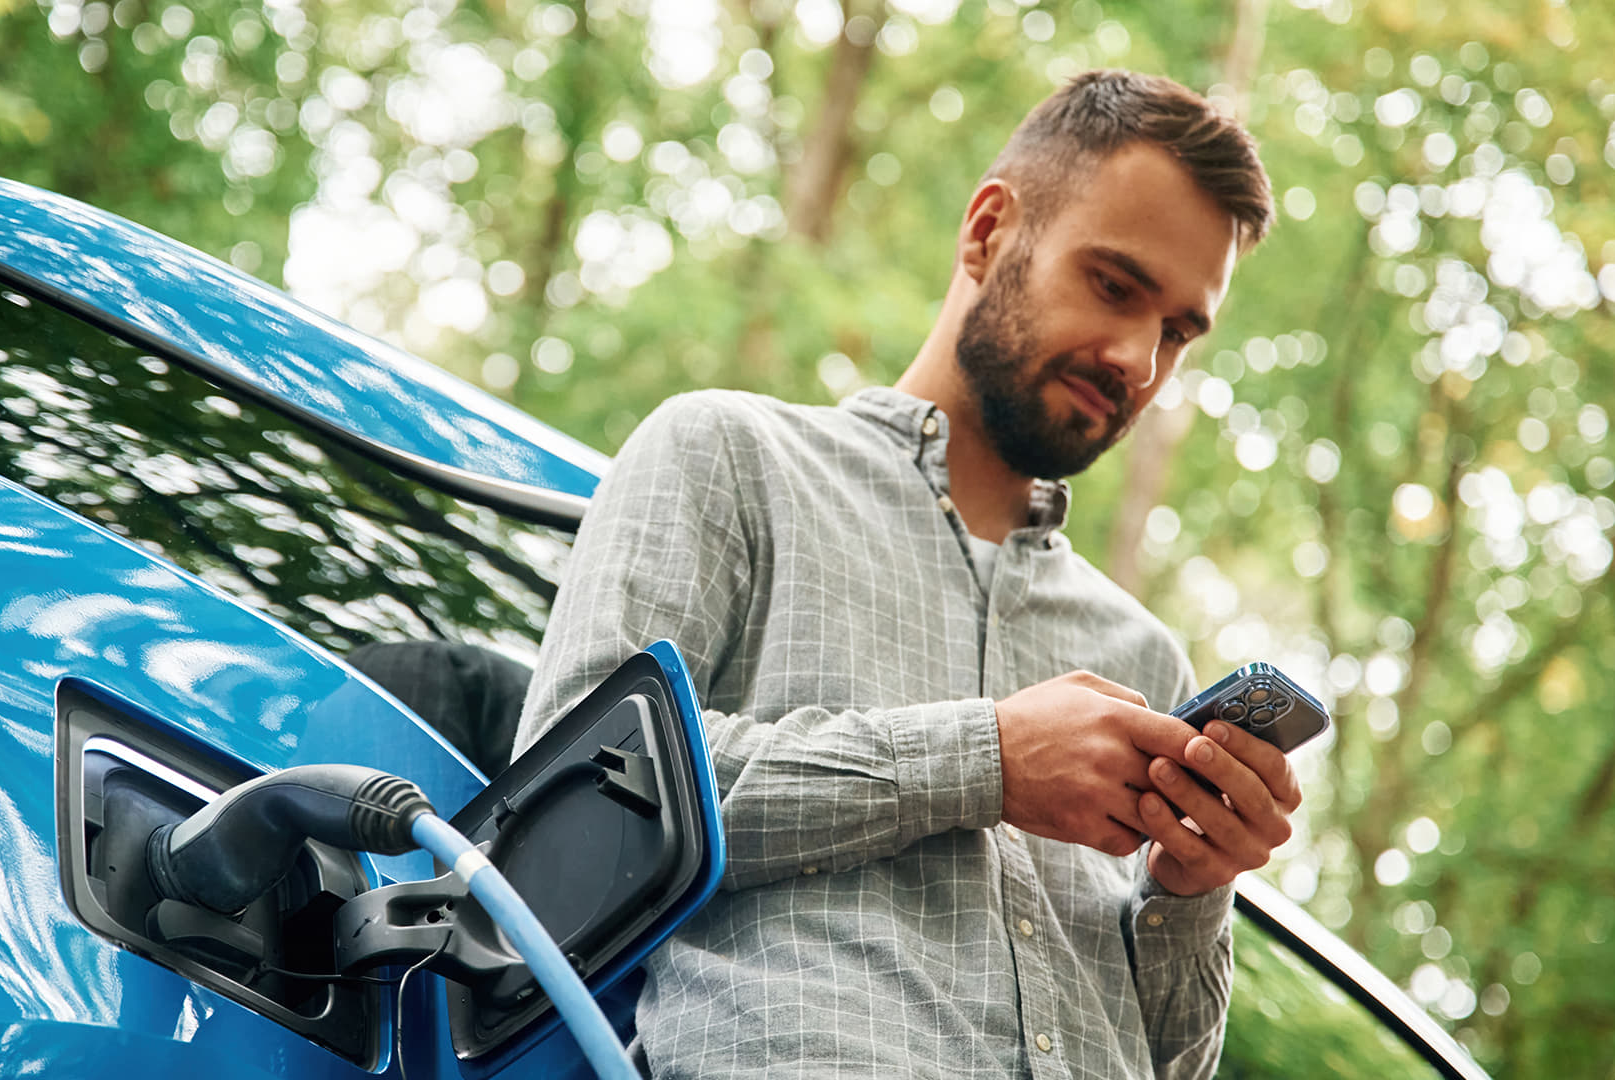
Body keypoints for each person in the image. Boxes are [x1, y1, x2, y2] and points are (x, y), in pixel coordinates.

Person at [516, 69, 1300, 1080]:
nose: (1137, 361)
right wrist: (985, 760)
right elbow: (558, 828)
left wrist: (1196, 890)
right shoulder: (729, 458)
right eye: (1114, 285)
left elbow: (1169, 1062)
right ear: (987, 232)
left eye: (1179, 332)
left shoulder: (1141, 655)